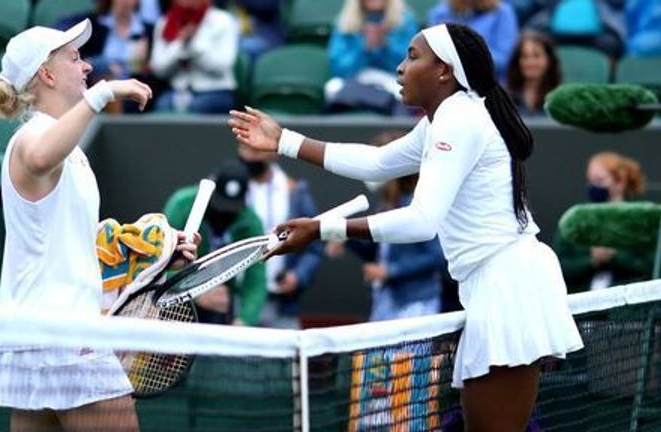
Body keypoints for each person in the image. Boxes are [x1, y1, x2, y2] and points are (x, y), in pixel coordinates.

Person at [229, 23, 583, 431]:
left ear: (444, 71)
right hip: (500, 284)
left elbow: (421, 221)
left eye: (413, 56)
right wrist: (284, 141)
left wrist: (323, 228)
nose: (400, 67)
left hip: (509, 287)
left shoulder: (460, 119)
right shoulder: (445, 119)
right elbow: (377, 163)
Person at [0, 19, 191, 432]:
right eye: (75, 58)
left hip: (34, 338)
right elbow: (38, 159)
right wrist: (105, 94)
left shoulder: (70, 152)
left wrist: (157, 252)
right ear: (47, 74)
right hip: (65, 339)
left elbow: (68, 245)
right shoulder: (32, 138)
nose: (87, 67)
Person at [327, 131, 445, 321]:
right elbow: (381, 252)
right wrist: (348, 239)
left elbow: (437, 256)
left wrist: (390, 271)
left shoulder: (416, 207)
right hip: (385, 302)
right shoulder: (384, 207)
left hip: (416, 304)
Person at [163, 159, 267, 326]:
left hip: (221, 311)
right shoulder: (181, 205)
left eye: (231, 208)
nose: (224, 213)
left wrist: (244, 321)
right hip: (173, 307)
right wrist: (195, 294)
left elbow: (256, 278)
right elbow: (158, 264)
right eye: (221, 205)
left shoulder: (251, 222)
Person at [238, 142, 322, 329]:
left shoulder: (294, 190)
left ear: (273, 153)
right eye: (243, 148)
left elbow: (314, 246)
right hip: (239, 302)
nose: (248, 156)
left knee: (288, 358)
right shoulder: (229, 189)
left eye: (255, 149)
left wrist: (297, 276)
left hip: (282, 304)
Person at [554, 152, 653, 293]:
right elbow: (560, 265)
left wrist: (615, 256)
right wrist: (592, 260)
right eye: (590, 181)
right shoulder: (578, 219)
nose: (594, 186)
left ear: (620, 183)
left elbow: (651, 266)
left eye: (600, 181)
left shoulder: (641, 220)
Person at [325, 0, 418, 116]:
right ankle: (384, 100)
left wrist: (385, 45)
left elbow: (408, 66)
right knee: (332, 87)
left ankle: (383, 101)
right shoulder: (345, 23)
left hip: (391, 80)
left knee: (405, 93)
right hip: (355, 80)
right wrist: (364, 48)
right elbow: (339, 69)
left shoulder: (404, 21)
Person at [150, 0, 238, 113]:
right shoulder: (165, 22)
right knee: (162, 107)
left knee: (197, 109)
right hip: (177, 91)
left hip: (215, 90)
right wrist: (179, 44)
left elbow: (222, 66)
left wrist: (194, 45)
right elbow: (158, 69)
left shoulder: (223, 20)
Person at [427, 0, 518, 81]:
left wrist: (467, 54)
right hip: (449, 82)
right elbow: (434, 54)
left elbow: (504, 60)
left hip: (488, 84)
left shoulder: (501, 12)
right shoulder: (441, 14)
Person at [505, 30, 561, 116]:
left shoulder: (559, 99)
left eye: (536, 56)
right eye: (524, 56)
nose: (530, 62)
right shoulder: (504, 98)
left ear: (549, 60)